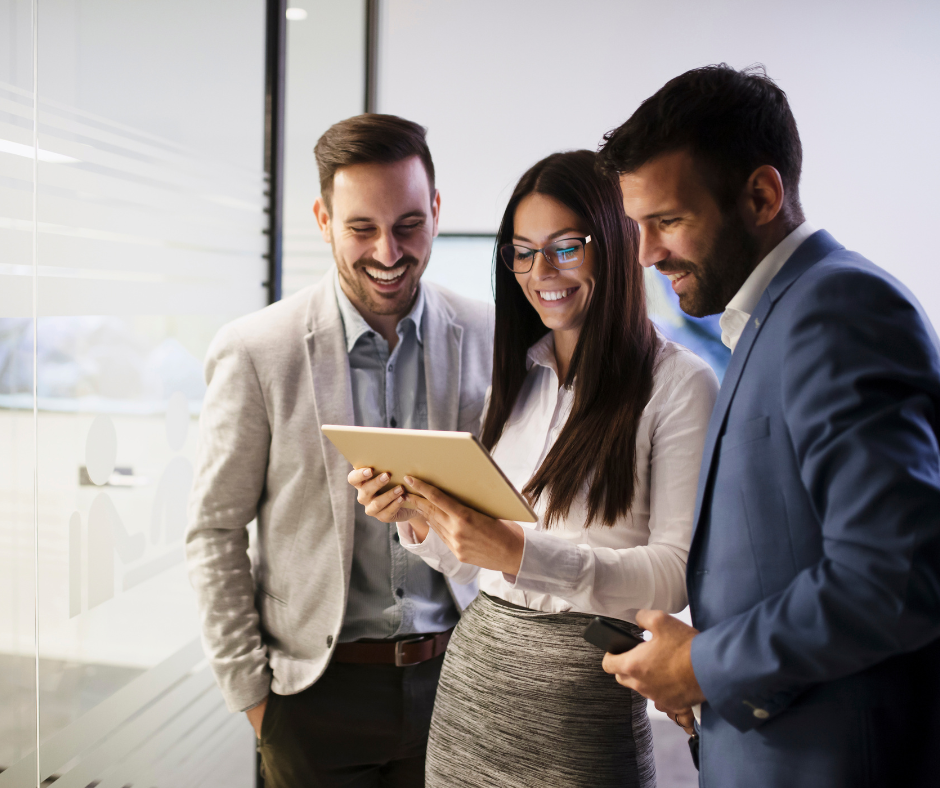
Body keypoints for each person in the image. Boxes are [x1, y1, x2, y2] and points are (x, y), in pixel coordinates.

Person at [597, 64, 940, 787]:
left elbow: (894, 577)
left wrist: (700, 666)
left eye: (668, 221)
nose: (648, 252)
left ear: (760, 195)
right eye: (639, 226)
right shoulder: (769, 319)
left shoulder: (837, 308)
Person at [351, 150, 718, 788]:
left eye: (564, 247)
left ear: (615, 243)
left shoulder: (680, 383)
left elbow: (672, 577)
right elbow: (477, 562)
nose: (539, 271)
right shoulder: (519, 375)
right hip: (474, 689)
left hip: (581, 701)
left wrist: (520, 551)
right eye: (522, 251)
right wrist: (420, 519)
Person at [185, 114, 493, 788]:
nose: (388, 252)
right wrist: (257, 703)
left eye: (409, 224)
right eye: (362, 228)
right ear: (323, 219)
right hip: (314, 699)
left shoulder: (490, 336)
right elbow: (214, 530)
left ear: (437, 211)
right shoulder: (257, 350)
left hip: (460, 682)